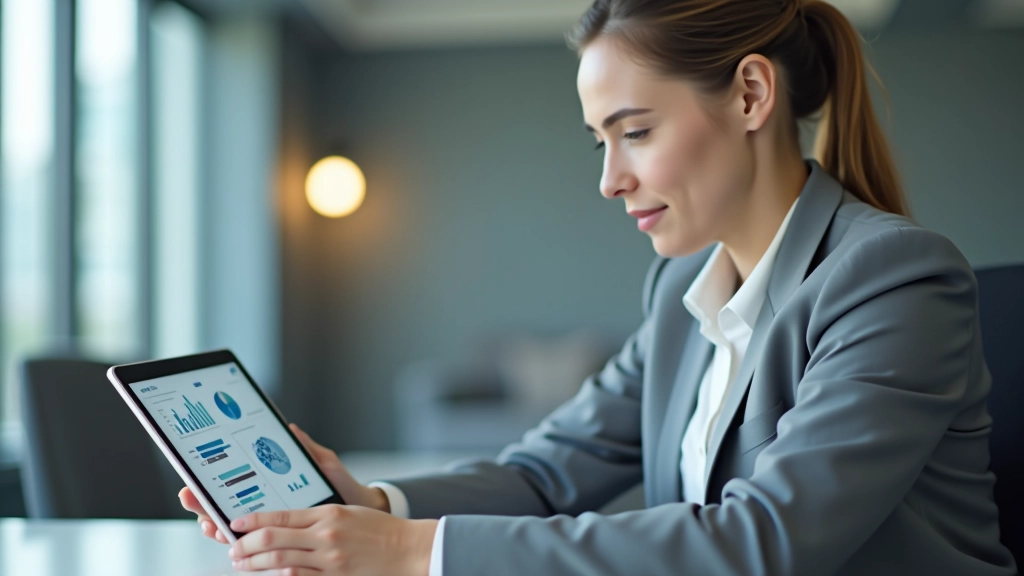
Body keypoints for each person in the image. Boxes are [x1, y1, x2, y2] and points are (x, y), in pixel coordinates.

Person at [180, 0, 1017, 574]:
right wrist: (376, 503)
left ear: (753, 94)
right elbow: (548, 472)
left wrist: (407, 553)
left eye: (637, 132)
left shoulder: (893, 279)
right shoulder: (681, 291)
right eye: (599, 144)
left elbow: (763, 543)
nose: (612, 180)